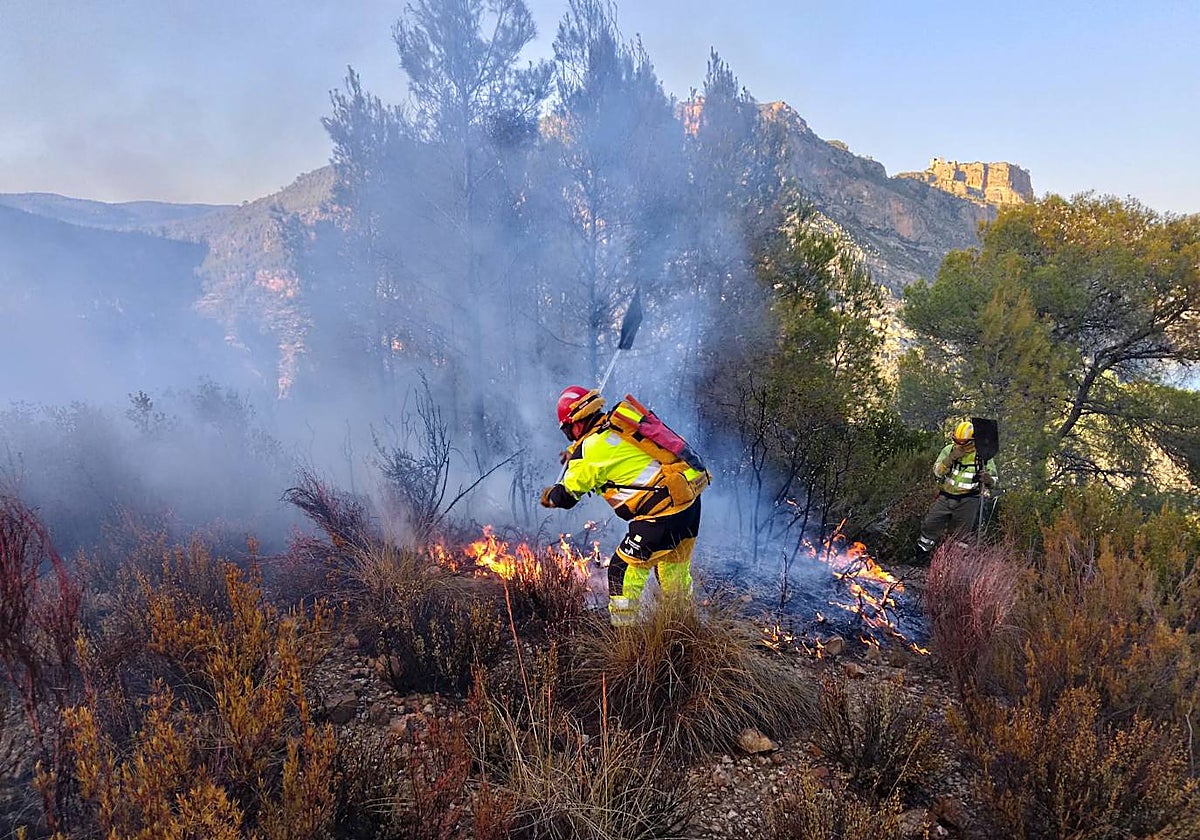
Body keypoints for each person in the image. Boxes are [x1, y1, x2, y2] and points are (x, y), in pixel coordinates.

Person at [540, 385, 707, 625]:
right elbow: (604, 451)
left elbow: (566, 497)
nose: (570, 436)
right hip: (687, 503)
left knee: (620, 570)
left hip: (662, 513)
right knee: (673, 571)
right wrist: (574, 453)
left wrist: (551, 495)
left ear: (576, 423)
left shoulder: (588, 452)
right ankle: (684, 628)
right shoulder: (617, 425)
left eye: (568, 430)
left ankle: (626, 638)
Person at [915, 420, 998, 559]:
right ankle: (921, 556)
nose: (958, 444)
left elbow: (995, 481)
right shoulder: (949, 450)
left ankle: (951, 563)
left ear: (972, 441)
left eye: (963, 442)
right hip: (946, 497)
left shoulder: (982, 456)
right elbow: (937, 472)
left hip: (968, 500)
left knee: (961, 536)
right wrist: (951, 458)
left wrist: (988, 479)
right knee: (930, 525)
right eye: (956, 440)